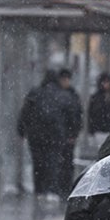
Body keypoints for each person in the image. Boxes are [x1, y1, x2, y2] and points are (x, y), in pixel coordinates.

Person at [17, 70, 67, 201]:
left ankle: (39, 190)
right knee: (53, 162)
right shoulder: (61, 94)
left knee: (38, 163)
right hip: (55, 135)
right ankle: (51, 190)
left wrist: (21, 130)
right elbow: (70, 114)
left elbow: (25, 113)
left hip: (36, 135)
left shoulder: (34, 93)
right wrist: (69, 133)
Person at [56, 68, 83, 199]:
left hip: (67, 134)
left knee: (67, 161)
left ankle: (65, 187)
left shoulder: (71, 95)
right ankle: (62, 187)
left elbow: (77, 116)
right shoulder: (69, 95)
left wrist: (73, 133)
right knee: (62, 162)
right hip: (61, 134)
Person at [87, 72, 110, 147]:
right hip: (100, 129)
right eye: (104, 82)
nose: (106, 84)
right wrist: (91, 131)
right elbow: (91, 115)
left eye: (108, 82)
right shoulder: (96, 98)